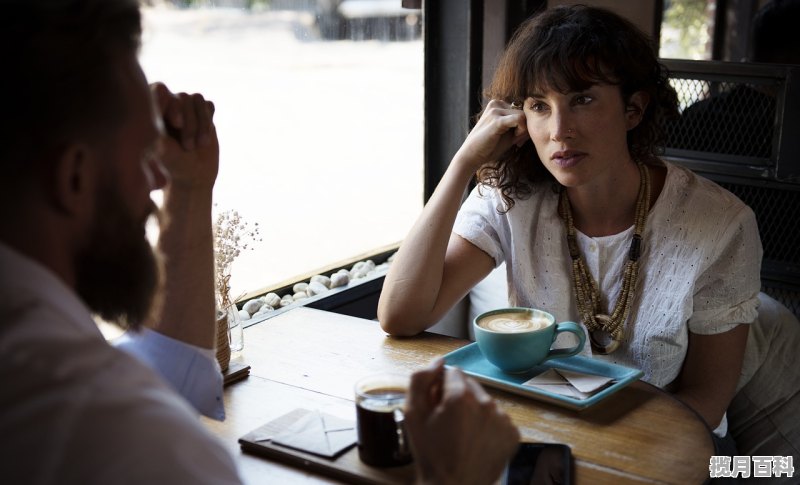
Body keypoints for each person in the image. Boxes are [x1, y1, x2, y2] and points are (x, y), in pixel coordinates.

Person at [0, 1, 519, 483]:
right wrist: (453, 475)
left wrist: (191, 187)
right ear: (73, 178)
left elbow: (166, 373)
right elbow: (140, 416)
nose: (156, 180)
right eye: (142, 156)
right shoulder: (127, 440)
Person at [378, 3, 762, 456]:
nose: (560, 130)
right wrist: (464, 162)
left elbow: (705, 403)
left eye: (582, 99)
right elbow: (400, 317)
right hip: (550, 442)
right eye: (540, 106)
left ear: (633, 108)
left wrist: (598, 454)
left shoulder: (721, 223)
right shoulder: (511, 199)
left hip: (670, 448)